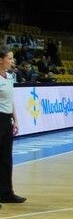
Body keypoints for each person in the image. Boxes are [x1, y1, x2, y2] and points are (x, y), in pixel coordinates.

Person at [0, 45, 26, 204]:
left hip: (6, 120)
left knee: (6, 158)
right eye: (9, 58)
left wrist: (15, 120)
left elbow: (10, 101)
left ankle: (6, 193)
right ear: (0, 60)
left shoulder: (10, 77)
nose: (12, 61)